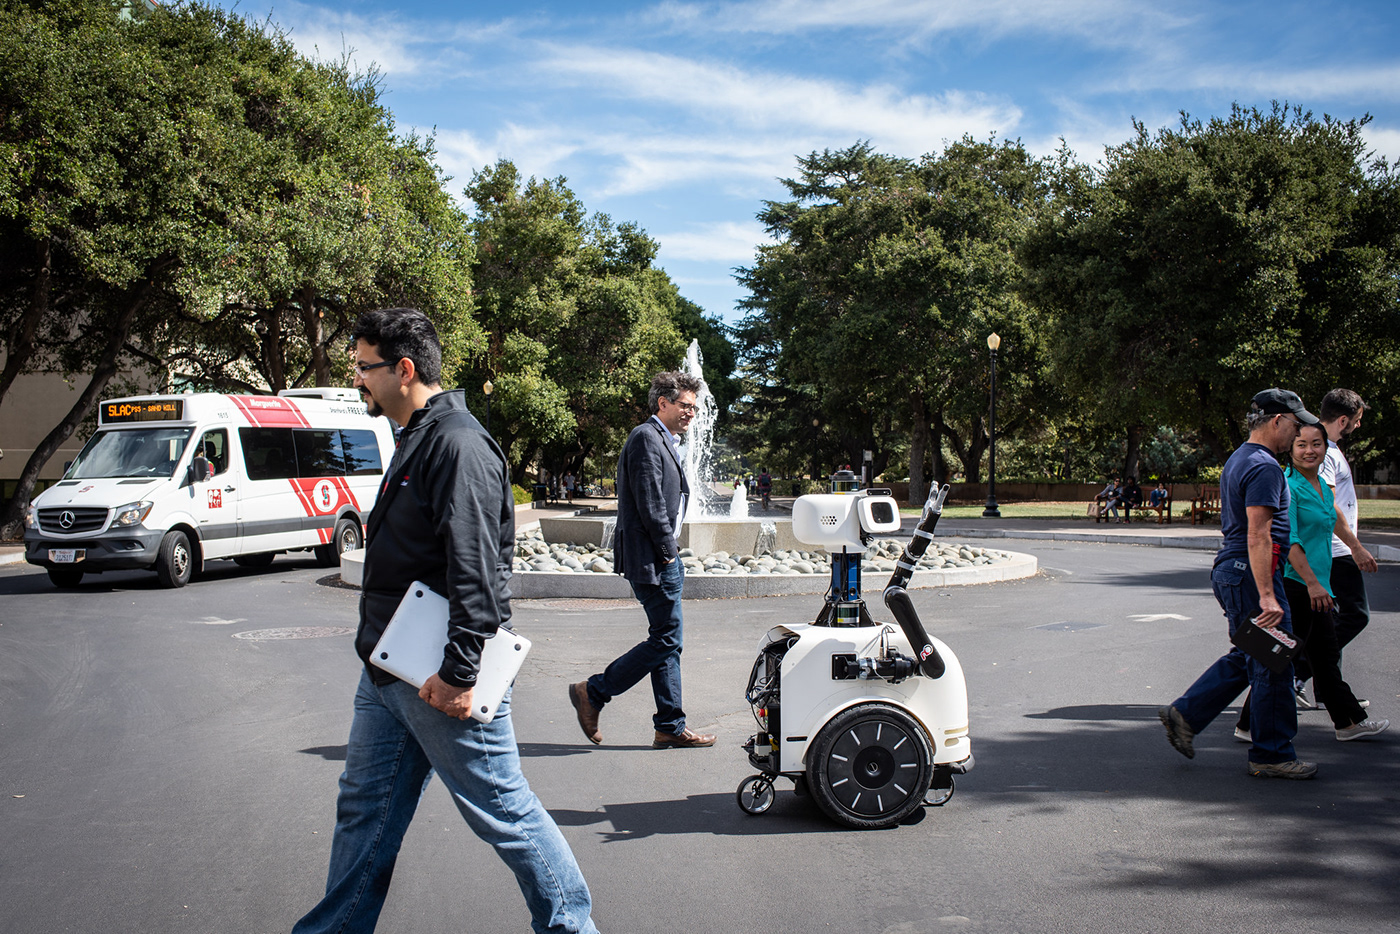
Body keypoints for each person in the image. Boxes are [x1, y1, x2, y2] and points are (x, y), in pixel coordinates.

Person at [293, 308, 596, 934]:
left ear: (403, 370)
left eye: (363, 368)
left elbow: (479, 572)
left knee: (505, 815)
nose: (357, 380)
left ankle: (574, 928)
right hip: (389, 671)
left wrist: (460, 672)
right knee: (364, 811)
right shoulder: (420, 436)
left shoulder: (456, 443)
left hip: (440, 674)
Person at [1158, 388, 1319, 780]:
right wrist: (1267, 595)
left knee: (1255, 653)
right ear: (1277, 420)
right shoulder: (1264, 466)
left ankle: (1187, 712)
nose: (1297, 434)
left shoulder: (1239, 457)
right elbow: (1259, 533)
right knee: (1274, 661)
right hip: (1250, 572)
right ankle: (1272, 754)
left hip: (1234, 570)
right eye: (1295, 425)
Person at [569, 371, 716, 750]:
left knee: (668, 640)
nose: (691, 413)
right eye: (685, 406)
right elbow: (651, 504)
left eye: (694, 407)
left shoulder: (663, 440)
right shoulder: (645, 438)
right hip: (654, 559)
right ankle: (594, 691)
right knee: (667, 638)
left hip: (660, 556)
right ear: (662, 403)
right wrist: (669, 555)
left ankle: (669, 724)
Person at [1234, 421, 1388, 743]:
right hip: (1297, 585)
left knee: (1323, 657)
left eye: (1316, 444)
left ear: (1324, 448)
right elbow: (1289, 541)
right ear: (1291, 448)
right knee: (1281, 656)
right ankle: (1248, 724)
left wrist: (1357, 548)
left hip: (1317, 587)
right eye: (1302, 444)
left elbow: (1333, 515)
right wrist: (1313, 584)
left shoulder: (1320, 484)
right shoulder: (1287, 485)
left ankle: (1347, 723)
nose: (1309, 451)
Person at [1294, 389, 1380, 706]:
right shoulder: (1326, 451)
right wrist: (1356, 547)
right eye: (1356, 421)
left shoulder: (1323, 447)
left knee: (1328, 623)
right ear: (1342, 419)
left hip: (1328, 550)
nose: (1357, 427)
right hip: (1335, 551)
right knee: (1356, 616)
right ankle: (1298, 670)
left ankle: (1331, 695)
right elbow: (1326, 503)